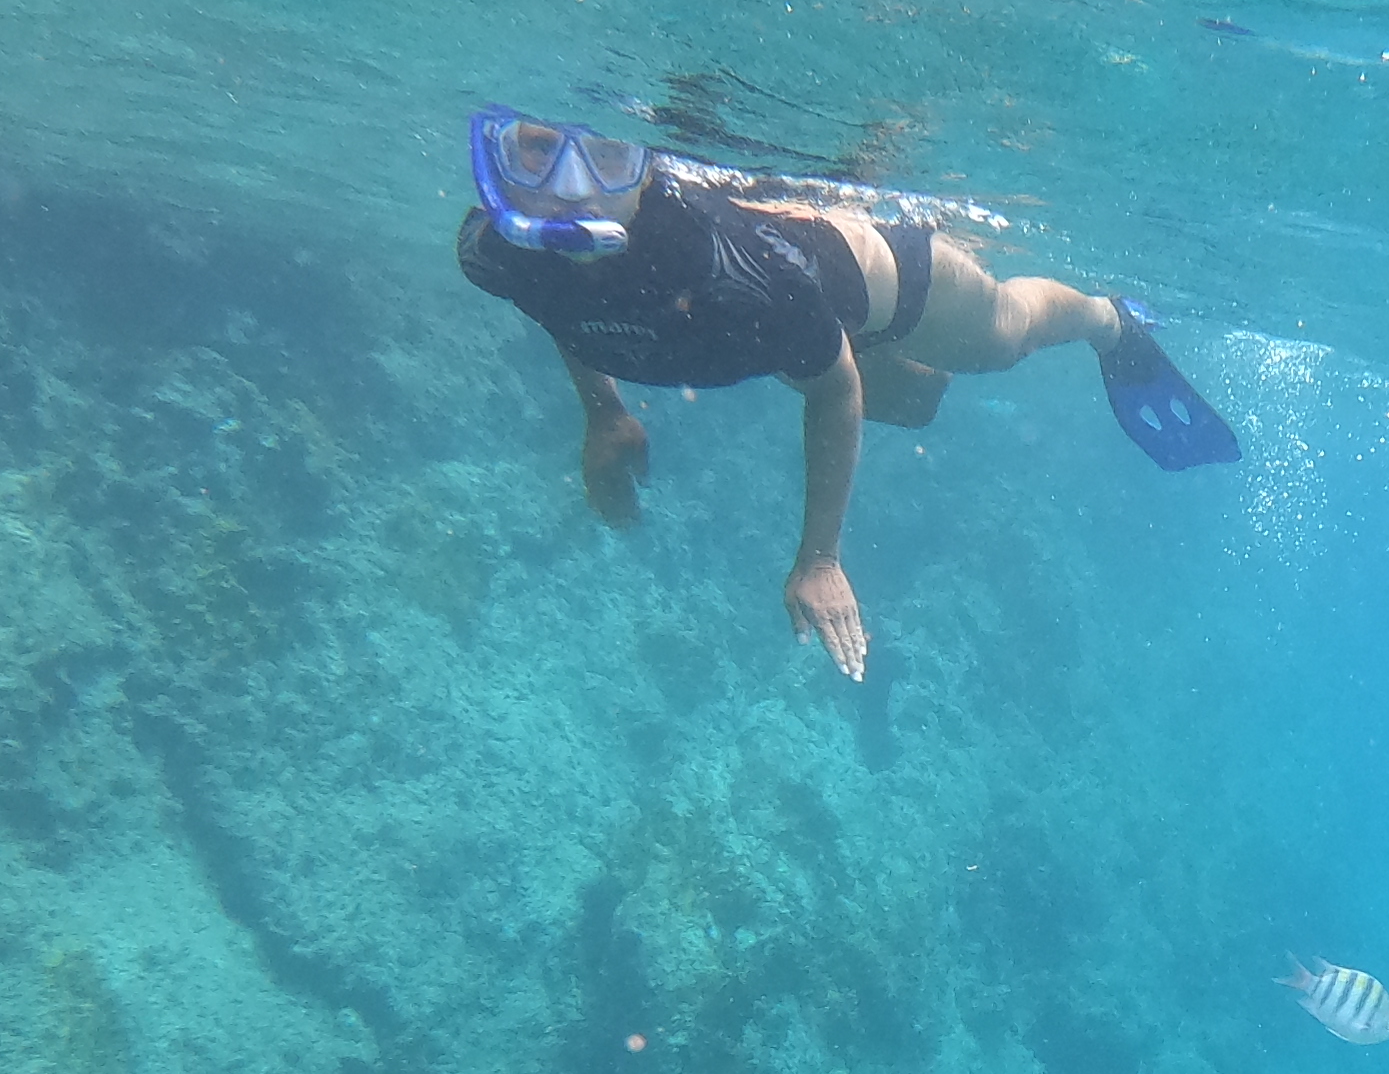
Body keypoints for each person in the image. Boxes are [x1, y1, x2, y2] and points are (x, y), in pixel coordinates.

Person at [455, 110, 1236, 681]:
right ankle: (855, 331)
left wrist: (819, 559)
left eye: (606, 156)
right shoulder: (499, 253)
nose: (571, 191)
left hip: (874, 280)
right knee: (916, 404)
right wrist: (604, 412)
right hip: (779, 328)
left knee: (1003, 338)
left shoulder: (736, 276)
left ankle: (1109, 322)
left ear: (645, 168)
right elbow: (561, 302)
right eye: (537, 150)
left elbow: (832, 392)